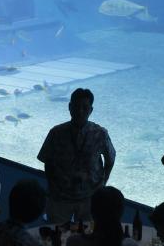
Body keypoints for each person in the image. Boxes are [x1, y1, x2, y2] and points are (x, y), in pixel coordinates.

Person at [37, 88, 116, 224]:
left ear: (91, 110)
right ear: (69, 107)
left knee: (89, 238)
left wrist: (102, 185)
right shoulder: (56, 133)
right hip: (60, 197)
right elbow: (47, 162)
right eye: (76, 106)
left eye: (84, 107)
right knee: (56, 236)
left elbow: (110, 160)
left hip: (90, 198)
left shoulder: (100, 134)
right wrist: (52, 187)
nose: (80, 111)